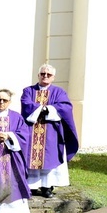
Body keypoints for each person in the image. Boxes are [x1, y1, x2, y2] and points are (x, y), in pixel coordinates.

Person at [20, 63, 79, 197]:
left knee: (49, 158)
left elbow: (65, 107)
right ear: (38, 75)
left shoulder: (59, 92)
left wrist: (47, 109)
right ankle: (32, 186)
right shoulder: (28, 91)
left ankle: (47, 187)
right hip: (31, 130)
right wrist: (44, 108)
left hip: (51, 131)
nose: (45, 76)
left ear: (53, 77)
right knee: (30, 158)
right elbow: (26, 104)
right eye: (42, 74)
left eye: (49, 74)